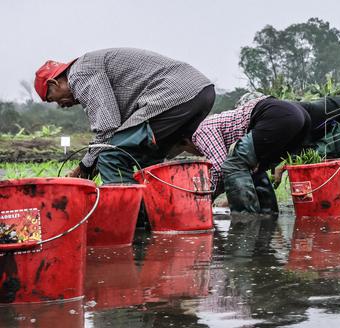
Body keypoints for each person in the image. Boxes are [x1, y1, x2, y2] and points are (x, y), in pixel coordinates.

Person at [34, 48, 215, 183]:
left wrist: (84, 167)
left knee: (110, 155)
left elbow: (107, 129)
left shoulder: (79, 74)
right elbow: (118, 130)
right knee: (148, 160)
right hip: (201, 92)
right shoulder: (88, 67)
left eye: (53, 99)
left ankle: (131, 218)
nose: (60, 105)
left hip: (174, 96)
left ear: (54, 82)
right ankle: (158, 215)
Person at [190, 94, 310, 214]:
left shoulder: (200, 130)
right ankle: (268, 216)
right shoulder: (220, 123)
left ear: (185, 141)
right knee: (254, 169)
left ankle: (245, 220)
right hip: (302, 119)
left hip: (278, 115)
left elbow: (219, 168)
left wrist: (205, 201)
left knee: (233, 164)